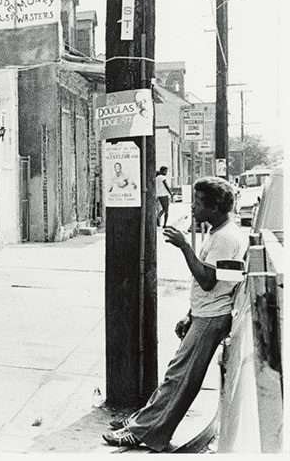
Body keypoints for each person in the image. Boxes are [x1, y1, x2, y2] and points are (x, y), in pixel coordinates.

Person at [102, 177, 247, 450]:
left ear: (215, 207)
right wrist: (190, 313)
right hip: (205, 313)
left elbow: (207, 280)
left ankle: (144, 432)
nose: (193, 208)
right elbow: (213, 284)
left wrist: (184, 246)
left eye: (199, 203)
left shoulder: (226, 238)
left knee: (180, 379)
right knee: (176, 374)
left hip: (212, 317)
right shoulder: (219, 232)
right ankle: (143, 422)